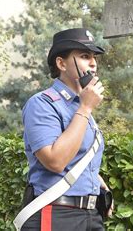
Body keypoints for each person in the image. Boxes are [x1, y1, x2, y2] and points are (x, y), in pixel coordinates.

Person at [21, 28, 112, 230]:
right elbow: (55, 161)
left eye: (94, 57)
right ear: (61, 63)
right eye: (84, 56)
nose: (93, 63)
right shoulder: (43, 104)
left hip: (91, 215)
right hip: (56, 214)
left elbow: (76, 155)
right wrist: (86, 108)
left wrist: (96, 181)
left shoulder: (80, 107)